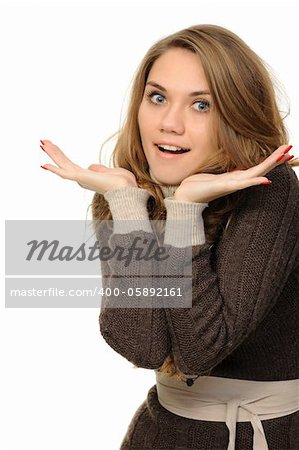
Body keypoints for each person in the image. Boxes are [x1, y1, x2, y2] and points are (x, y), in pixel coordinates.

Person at [40, 24, 299, 450]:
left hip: (262, 438)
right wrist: (125, 205)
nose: (169, 124)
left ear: (236, 115)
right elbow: (142, 346)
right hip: (160, 435)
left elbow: (200, 352)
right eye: (157, 97)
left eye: (201, 105)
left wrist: (185, 215)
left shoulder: (270, 188)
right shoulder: (127, 190)